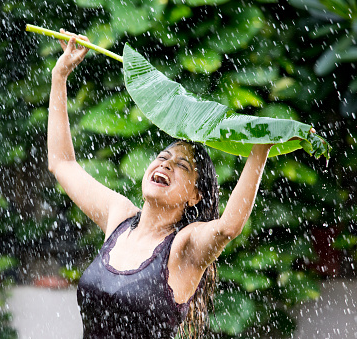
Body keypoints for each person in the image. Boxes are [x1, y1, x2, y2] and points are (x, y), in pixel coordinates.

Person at [47, 30, 302, 339]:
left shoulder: (184, 247)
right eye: (162, 157)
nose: (165, 164)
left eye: (181, 165)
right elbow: (62, 163)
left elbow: (227, 228)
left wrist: (260, 147)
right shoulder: (119, 218)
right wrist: (59, 76)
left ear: (195, 196)